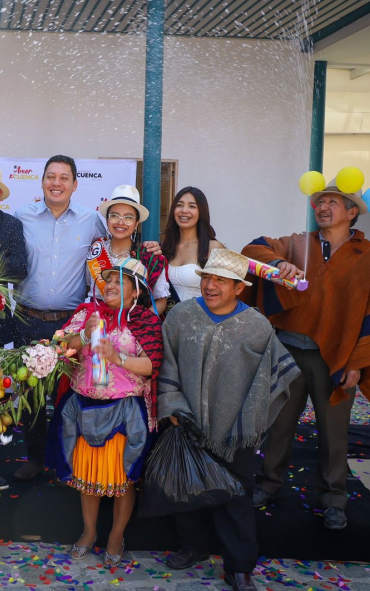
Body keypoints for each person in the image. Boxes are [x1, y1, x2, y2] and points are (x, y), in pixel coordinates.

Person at [242, 179, 370, 530]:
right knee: (278, 425)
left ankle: (333, 499)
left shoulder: (368, 257)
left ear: (352, 212)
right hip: (288, 351)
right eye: (320, 202)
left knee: (335, 433)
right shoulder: (298, 244)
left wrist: (358, 364)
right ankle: (269, 485)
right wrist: (276, 264)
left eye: (333, 202)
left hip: (337, 359)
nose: (324, 207)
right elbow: (252, 250)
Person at [158, 249, 300, 591]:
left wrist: (249, 419)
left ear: (239, 287)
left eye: (221, 280)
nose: (210, 285)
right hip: (187, 419)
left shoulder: (256, 325)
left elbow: (272, 377)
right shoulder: (181, 317)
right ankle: (193, 546)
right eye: (207, 277)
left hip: (237, 426)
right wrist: (174, 406)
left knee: (237, 493)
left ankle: (238, 565)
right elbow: (167, 364)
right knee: (187, 486)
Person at [49, 258, 162, 566]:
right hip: (84, 405)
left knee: (122, 479)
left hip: (124, 412)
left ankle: (115, 535)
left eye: (119, 281)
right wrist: (84, 336)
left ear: (136, 291)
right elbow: (60, 347)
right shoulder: (87, 313)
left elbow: (151, 366)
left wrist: (117, 356)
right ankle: (88, 532)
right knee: (88, 477)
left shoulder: (145, 321)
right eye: (107, 280)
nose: (110, 285)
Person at [11, 155, 106, 481]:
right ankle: (36, 459)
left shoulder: (92, 220)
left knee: (68, 396)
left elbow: (105, 264)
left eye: (64, 178)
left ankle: (65, 462)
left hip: (71, 324)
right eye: (50, 176)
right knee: (32, 396)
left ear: (75, 185)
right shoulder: (21, 217)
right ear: (42, 182)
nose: (56, 183)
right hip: (29, 319)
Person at [93, 185, 169, 310]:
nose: (120, 222)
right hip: (99, 324)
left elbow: (160, 300)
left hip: (136, 326)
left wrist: (139, 324)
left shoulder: (149, 256)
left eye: (128, 217)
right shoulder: (95, 252)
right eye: (114, 216)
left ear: (136, 224)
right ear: (107, 220)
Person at [159, 187, 223, 305]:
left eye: (192, 206)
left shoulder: (213, 247)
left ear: (201, 212)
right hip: (166, 321)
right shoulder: (164, 248)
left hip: (199, 320)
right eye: (179, 205)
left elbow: (223, 292)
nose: (184, 210)